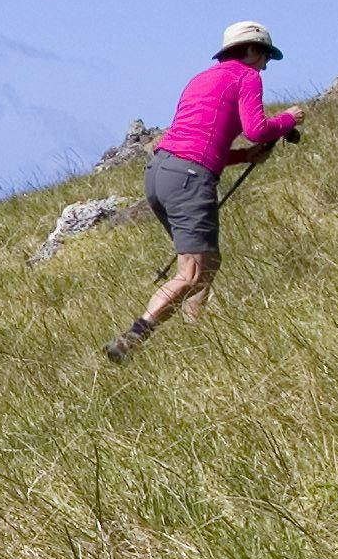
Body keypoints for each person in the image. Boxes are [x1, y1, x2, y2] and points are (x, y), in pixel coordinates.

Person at [106, 28, 303, 361]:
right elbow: (257, 129)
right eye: (266, 55)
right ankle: (131, 339)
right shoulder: (247, 76)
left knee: (206, 261)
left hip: (159, 173)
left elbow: (199, 142)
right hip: (188, 178)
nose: (266, 65)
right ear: (251, 50)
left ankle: (197, 336)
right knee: (192, 273)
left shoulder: (201, 80)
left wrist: (244, 156)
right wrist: (288, 119)